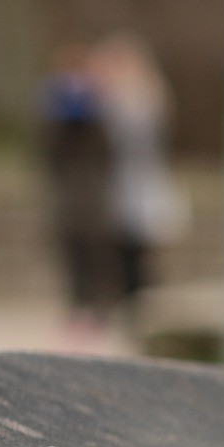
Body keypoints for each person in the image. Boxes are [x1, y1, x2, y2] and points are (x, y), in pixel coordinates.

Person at [90, 33, 187, 319]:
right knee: (123, 252)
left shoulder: (139, 101)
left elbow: (131, 143)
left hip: (135, 185)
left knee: (135, 253)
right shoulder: (132, 98)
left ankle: (138, 309)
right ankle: (129, 307)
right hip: (123, 185)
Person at [38, 43, 117, 347]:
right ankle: (76, 309)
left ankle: (97, 309)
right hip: (69, 197)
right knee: (71, 255)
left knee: (95, 255)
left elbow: (108, 152)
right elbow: (48, 153)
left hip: (92, 196)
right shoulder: (52, 108)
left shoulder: (100, 108)